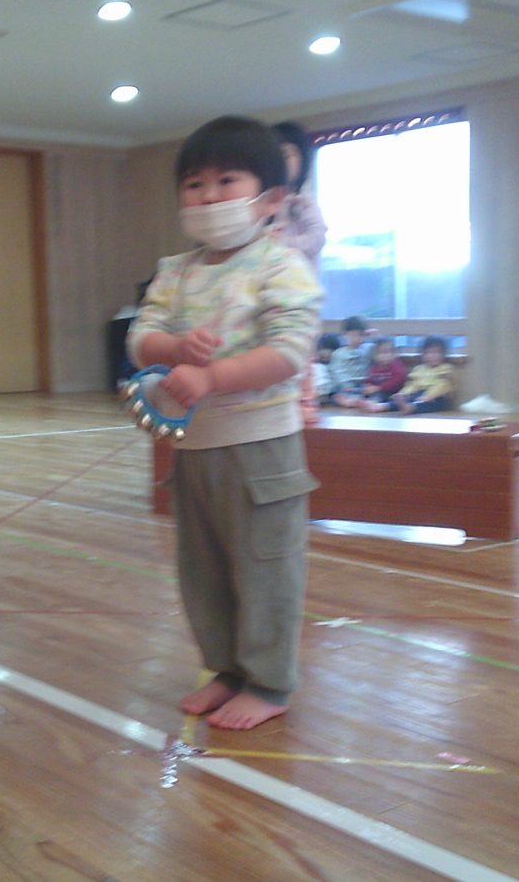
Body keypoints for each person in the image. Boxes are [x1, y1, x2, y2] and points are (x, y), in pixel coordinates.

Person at [126, 115, 322, 731]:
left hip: (262, 449)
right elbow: (140, 336)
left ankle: (269, 681)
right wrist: (172, 349)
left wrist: (212, 377)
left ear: (270, 198)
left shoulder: (281, 265)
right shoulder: (176, 271)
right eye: (194, 184)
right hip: (194, 449)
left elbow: (289, 352)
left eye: (226, 181)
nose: (209, 197)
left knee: (265, 567)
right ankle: (227, 668)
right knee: (203, 569)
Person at [269, 120, 327, 422]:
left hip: (301, 290)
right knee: (275, 346)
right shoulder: (266, 201)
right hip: (272, 289)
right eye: (274, 155)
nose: (281, 161)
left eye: (287, 154)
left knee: (302, 346)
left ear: (302, 160)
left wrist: (284, 244)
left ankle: (305, 401)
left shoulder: (303, 201)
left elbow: (317, 238)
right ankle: (278, 401)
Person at [390, 335, 455, 414]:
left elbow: (443, 385)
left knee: (435, 402)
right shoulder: (419, 369)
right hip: (419, 395)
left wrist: (429, 396)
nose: (433, 356)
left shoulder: (446, 368)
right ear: (423, 355)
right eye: (429, 352)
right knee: (409, 398)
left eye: (437, 352)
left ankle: (410, 408)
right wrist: (404, 394)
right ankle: (383, 406)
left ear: (444, 354)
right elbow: (412, 384)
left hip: (437, 396)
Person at [338, 336, 406, 410]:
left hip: (390, 392)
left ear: (395, 354)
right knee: (358, 390)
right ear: (375, 355)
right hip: (375, 389)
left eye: (390, 352)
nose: (387, 355)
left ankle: (372, 403)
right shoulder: (375, 366)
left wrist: (378, 388)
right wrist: (367, 385)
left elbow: (398, 379)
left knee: (380, 395)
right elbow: (370, 378)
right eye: (382, 353)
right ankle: (352, 400)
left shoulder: (395, 365)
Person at [327, 316, 371, 404]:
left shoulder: (368, 349)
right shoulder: (339, 353)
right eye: (353, 335)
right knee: (337, 393)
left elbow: (379, 345)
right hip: (345, 386)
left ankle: (358, 401)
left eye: (361, 335)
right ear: (345, 335)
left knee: (372, 392)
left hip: (363, 385)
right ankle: (348, 400)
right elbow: (337, 371)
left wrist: (375, 336)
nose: (357, 339)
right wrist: (346, 385)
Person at [313, 332, 342, 406]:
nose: (324, 352)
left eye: (330, 349)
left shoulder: (339, 366)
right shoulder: (315, 366)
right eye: (321, 349)